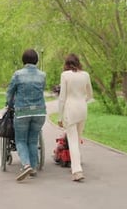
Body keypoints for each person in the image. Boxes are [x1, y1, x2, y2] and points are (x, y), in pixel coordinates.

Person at [6, 49, 47, 181]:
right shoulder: (42, 75)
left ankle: (26, 165)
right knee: (33, 140)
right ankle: (33, 167)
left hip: (22, 112)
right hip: (40, 112)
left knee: (21, 140)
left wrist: (9, 104)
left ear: (23, 60)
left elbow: (10, 92)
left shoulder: (18, 75)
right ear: (37, 60)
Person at [57, 53, 93, 182]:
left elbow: (62, 98)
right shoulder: (85, 75)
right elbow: (90, 95)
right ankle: (77, 162)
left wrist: (59, 116)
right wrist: (83, 100)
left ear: (66, 64)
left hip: (70, 109)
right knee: (77, 139)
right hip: (82, 108)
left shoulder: (65, 75)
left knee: (72, 140)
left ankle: (77, 170)